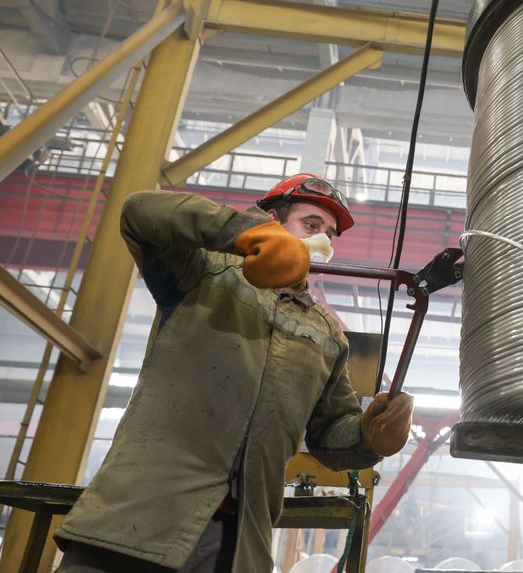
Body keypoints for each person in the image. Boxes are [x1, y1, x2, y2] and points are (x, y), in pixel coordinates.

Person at [53, 173, 414, 573]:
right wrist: (244, 234)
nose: (323, 242)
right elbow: (139, 212)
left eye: (330, 234)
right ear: (271, 219)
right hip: (135, 523)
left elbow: (329, 436)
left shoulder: (326, 335)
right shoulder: (204, 273)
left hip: (238, 545)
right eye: (311, 226)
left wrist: (369, 436)